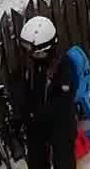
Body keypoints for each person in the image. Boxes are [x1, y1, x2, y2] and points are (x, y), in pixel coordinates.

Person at [18, 16, 78, 169]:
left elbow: (63, 103)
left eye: (37, 54)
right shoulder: (30, 67)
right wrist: (22, 116)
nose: (32, 56)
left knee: (63, 160)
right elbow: (25, 92)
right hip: (36, 123)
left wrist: (40, 114)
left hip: (61, 123)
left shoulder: (65, 67)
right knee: (36, 159)